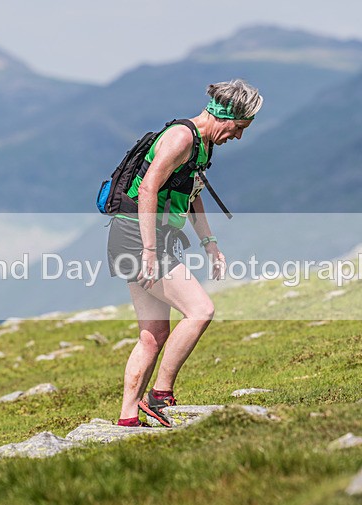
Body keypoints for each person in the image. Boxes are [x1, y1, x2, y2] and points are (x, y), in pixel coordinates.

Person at [107, 79, 263, 427]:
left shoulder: (203, 146)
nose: (238, 136)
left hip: (143, 237)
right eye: (238, 128)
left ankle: (128, 418)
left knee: (152, 335)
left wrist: (211, 245)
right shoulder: (181, 138)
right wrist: (148, 251)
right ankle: (160, 397)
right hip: (138, 238)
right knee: (200, 310)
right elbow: (148, 188)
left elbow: (192, 193)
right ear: (224, 117)